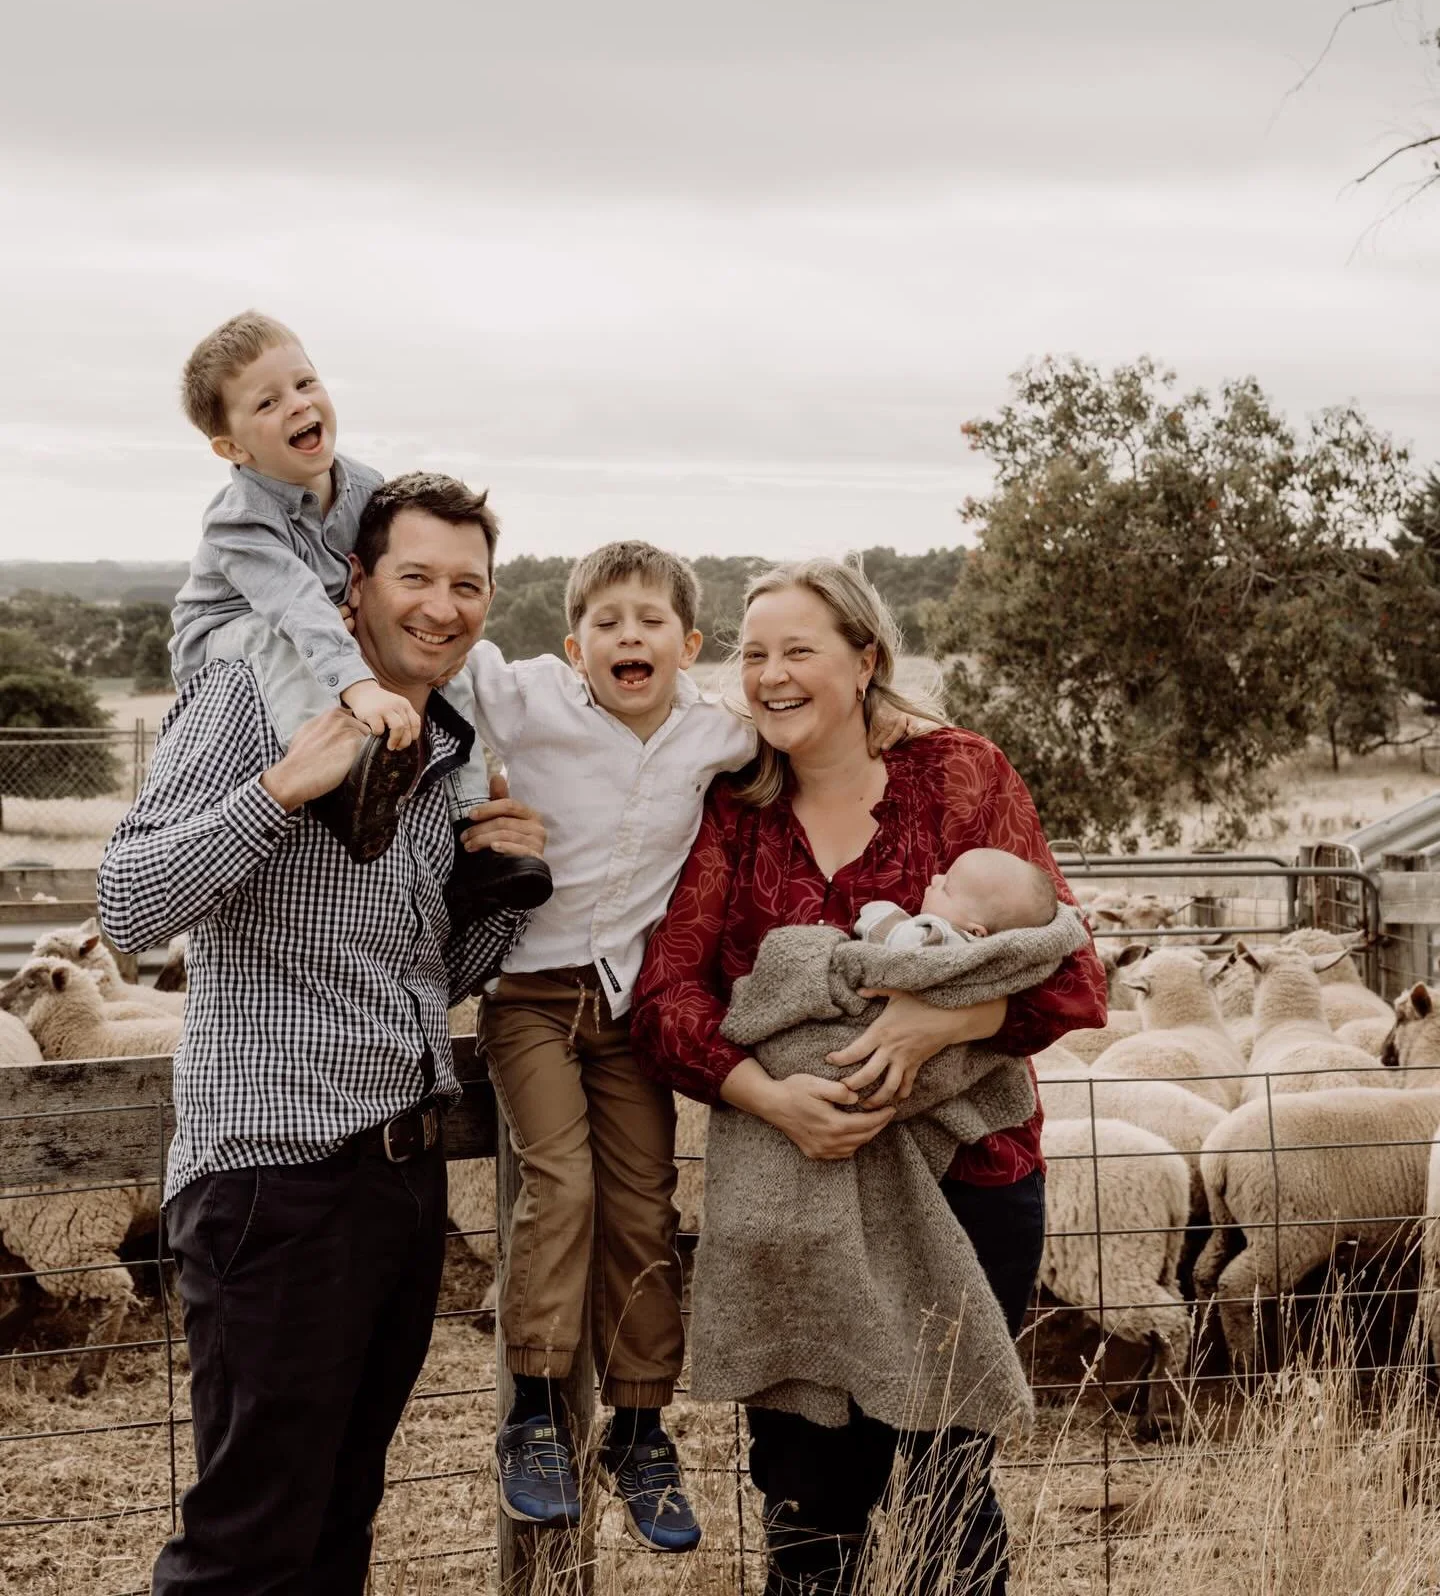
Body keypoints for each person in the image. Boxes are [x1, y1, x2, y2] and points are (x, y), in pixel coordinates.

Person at [97, 473, 548, 1596]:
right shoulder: (259, 693)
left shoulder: (445, 750)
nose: (444, 607)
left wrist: (496, 893)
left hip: (400, 1181)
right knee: (248, 1544)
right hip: (274, 1181)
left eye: (469, 585)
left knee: (340, 1522)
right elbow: (126, 906)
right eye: (416, 578)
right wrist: (282, 787)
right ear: (352, 584)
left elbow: (424, 978)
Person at [631, 558, 1107, 1596]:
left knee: (946, 1478)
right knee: (810, 1499)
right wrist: (768, 1096)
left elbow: (1072, 973)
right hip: (800, 1195)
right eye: (755, 654)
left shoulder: (963, 777)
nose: (772, 675)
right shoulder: (735, 811)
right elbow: (668, 996)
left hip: (967, 1184)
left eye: (800, 649)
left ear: (866, 660)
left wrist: (942, 1021)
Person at [466, 541, 754, 1549]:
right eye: (607, 622)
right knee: (564, 1186)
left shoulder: (717, 735)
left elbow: (817, 721)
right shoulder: (532, 700)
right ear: (572, 642)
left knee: (645, 1202)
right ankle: (535, 1413)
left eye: (650, 620)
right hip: (532, 998)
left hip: (629, 1008)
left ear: (689, 644)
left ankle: (639, 1426)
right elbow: (452, 661)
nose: (629, 635)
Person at [168, 310, 549, 904]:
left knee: (463, 671)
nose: (297, 405)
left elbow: (400, 567)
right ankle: (342, 777)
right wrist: (361, 688)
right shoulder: (237, 519)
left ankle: (471, 816)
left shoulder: (367, 487)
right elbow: (294, 606)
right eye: (267, 403)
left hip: (322, 639)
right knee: (278, 638)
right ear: (231, 446)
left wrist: (442, 644)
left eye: (304, 383)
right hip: (229, 634)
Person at [854, 846, 1059, 952]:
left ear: (975, 931)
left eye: (946, 889)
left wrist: (876, 910)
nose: (935, 878)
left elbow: (888, 936)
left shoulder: (946, 940)